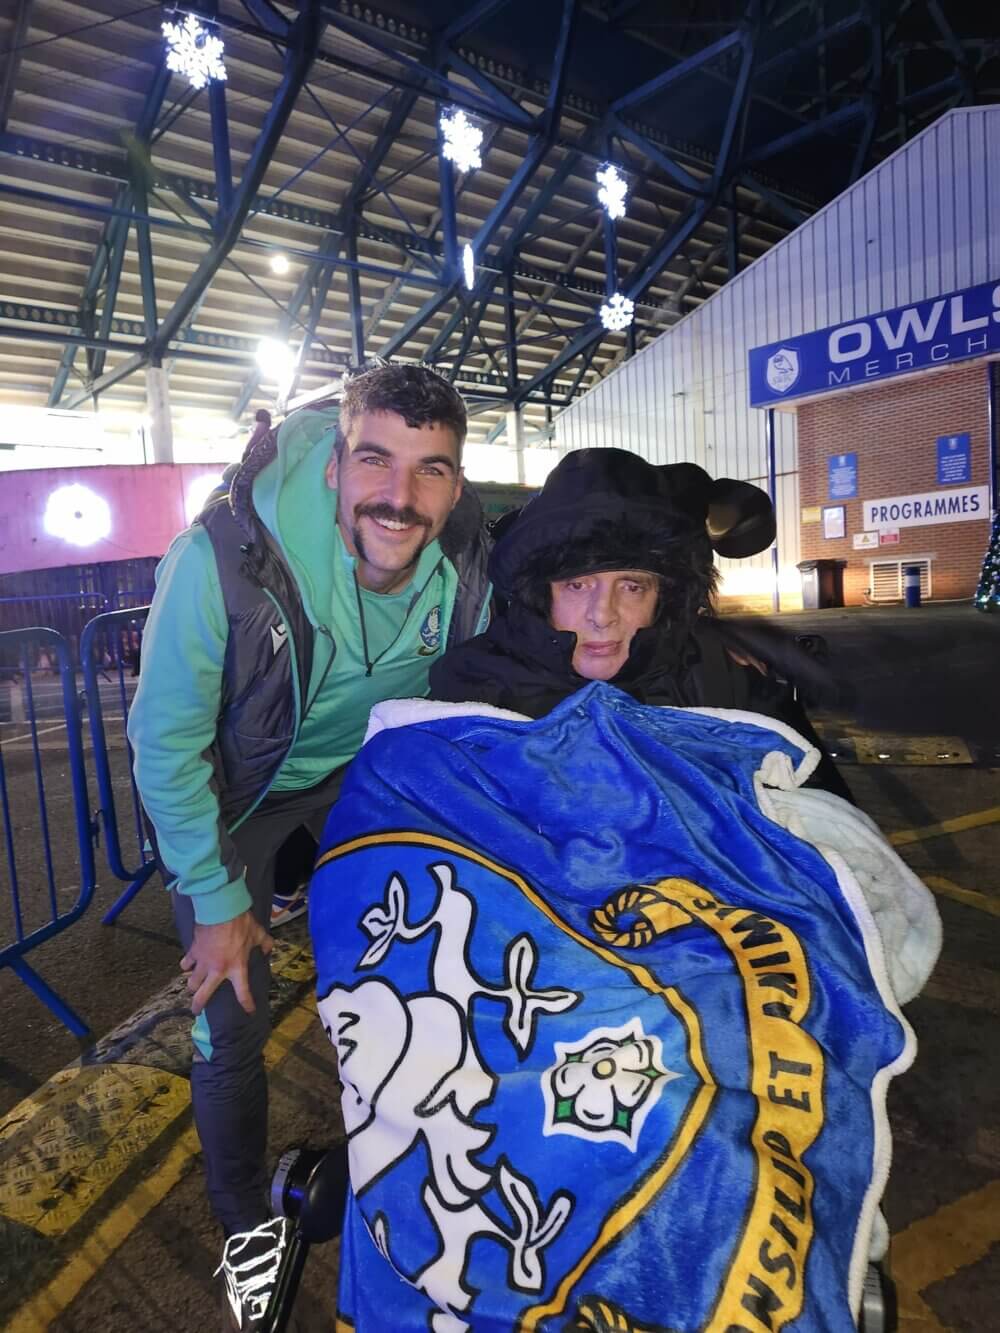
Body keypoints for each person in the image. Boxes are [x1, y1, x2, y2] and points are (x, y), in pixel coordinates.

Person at [127, 362, 491, 1327]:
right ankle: (247, 1223)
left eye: (430, 471)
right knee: (229, 1006)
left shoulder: (472, 562)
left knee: (434, 977)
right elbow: (163, 742)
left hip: (360, 784)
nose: (399, 496)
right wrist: (213, 898)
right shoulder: (224, 560)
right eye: (375, 459)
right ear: (335, 464)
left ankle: (424, 1175)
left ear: (457, 484)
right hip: (238, 795)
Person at [430, 446, 851, 799]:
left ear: (664, 598)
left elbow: (827, 824)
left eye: (632, 587)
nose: (602, 615)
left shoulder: (724, 681)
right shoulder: (475, 693)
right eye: (577, 586)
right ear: (541, 596)